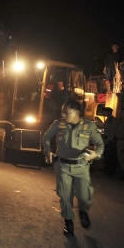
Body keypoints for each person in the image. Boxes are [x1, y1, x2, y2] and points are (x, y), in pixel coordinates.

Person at [43, 100, 104, 236]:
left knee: (84, 197)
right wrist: (47, 150)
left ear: (76, 112)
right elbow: (46, 137)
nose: (63, 115)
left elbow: (99, 145)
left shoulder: (89, 126)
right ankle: (68, 222)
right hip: (62, 165)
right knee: (65, 195)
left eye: (66, 112)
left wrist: (96, 154)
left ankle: (83, 210)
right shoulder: (58, 124)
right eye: (62, 112)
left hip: (81, 166)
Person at [102, 107, 119, 176]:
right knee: (106, 154)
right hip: (107, 137)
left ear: (109, 112)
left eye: (105, 112)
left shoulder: (113, 120)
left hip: (110, 139)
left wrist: (109, 139)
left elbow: (113, 131)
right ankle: (106, 168)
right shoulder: (108, 119)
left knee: (110, 155)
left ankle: (110, 170)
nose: (104, 113)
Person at [115, 108, 124, 181]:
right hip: (119, 141)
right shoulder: (120, 122)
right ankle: (121, 173)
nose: (120, 114)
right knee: (120, 158)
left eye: (122, 112)